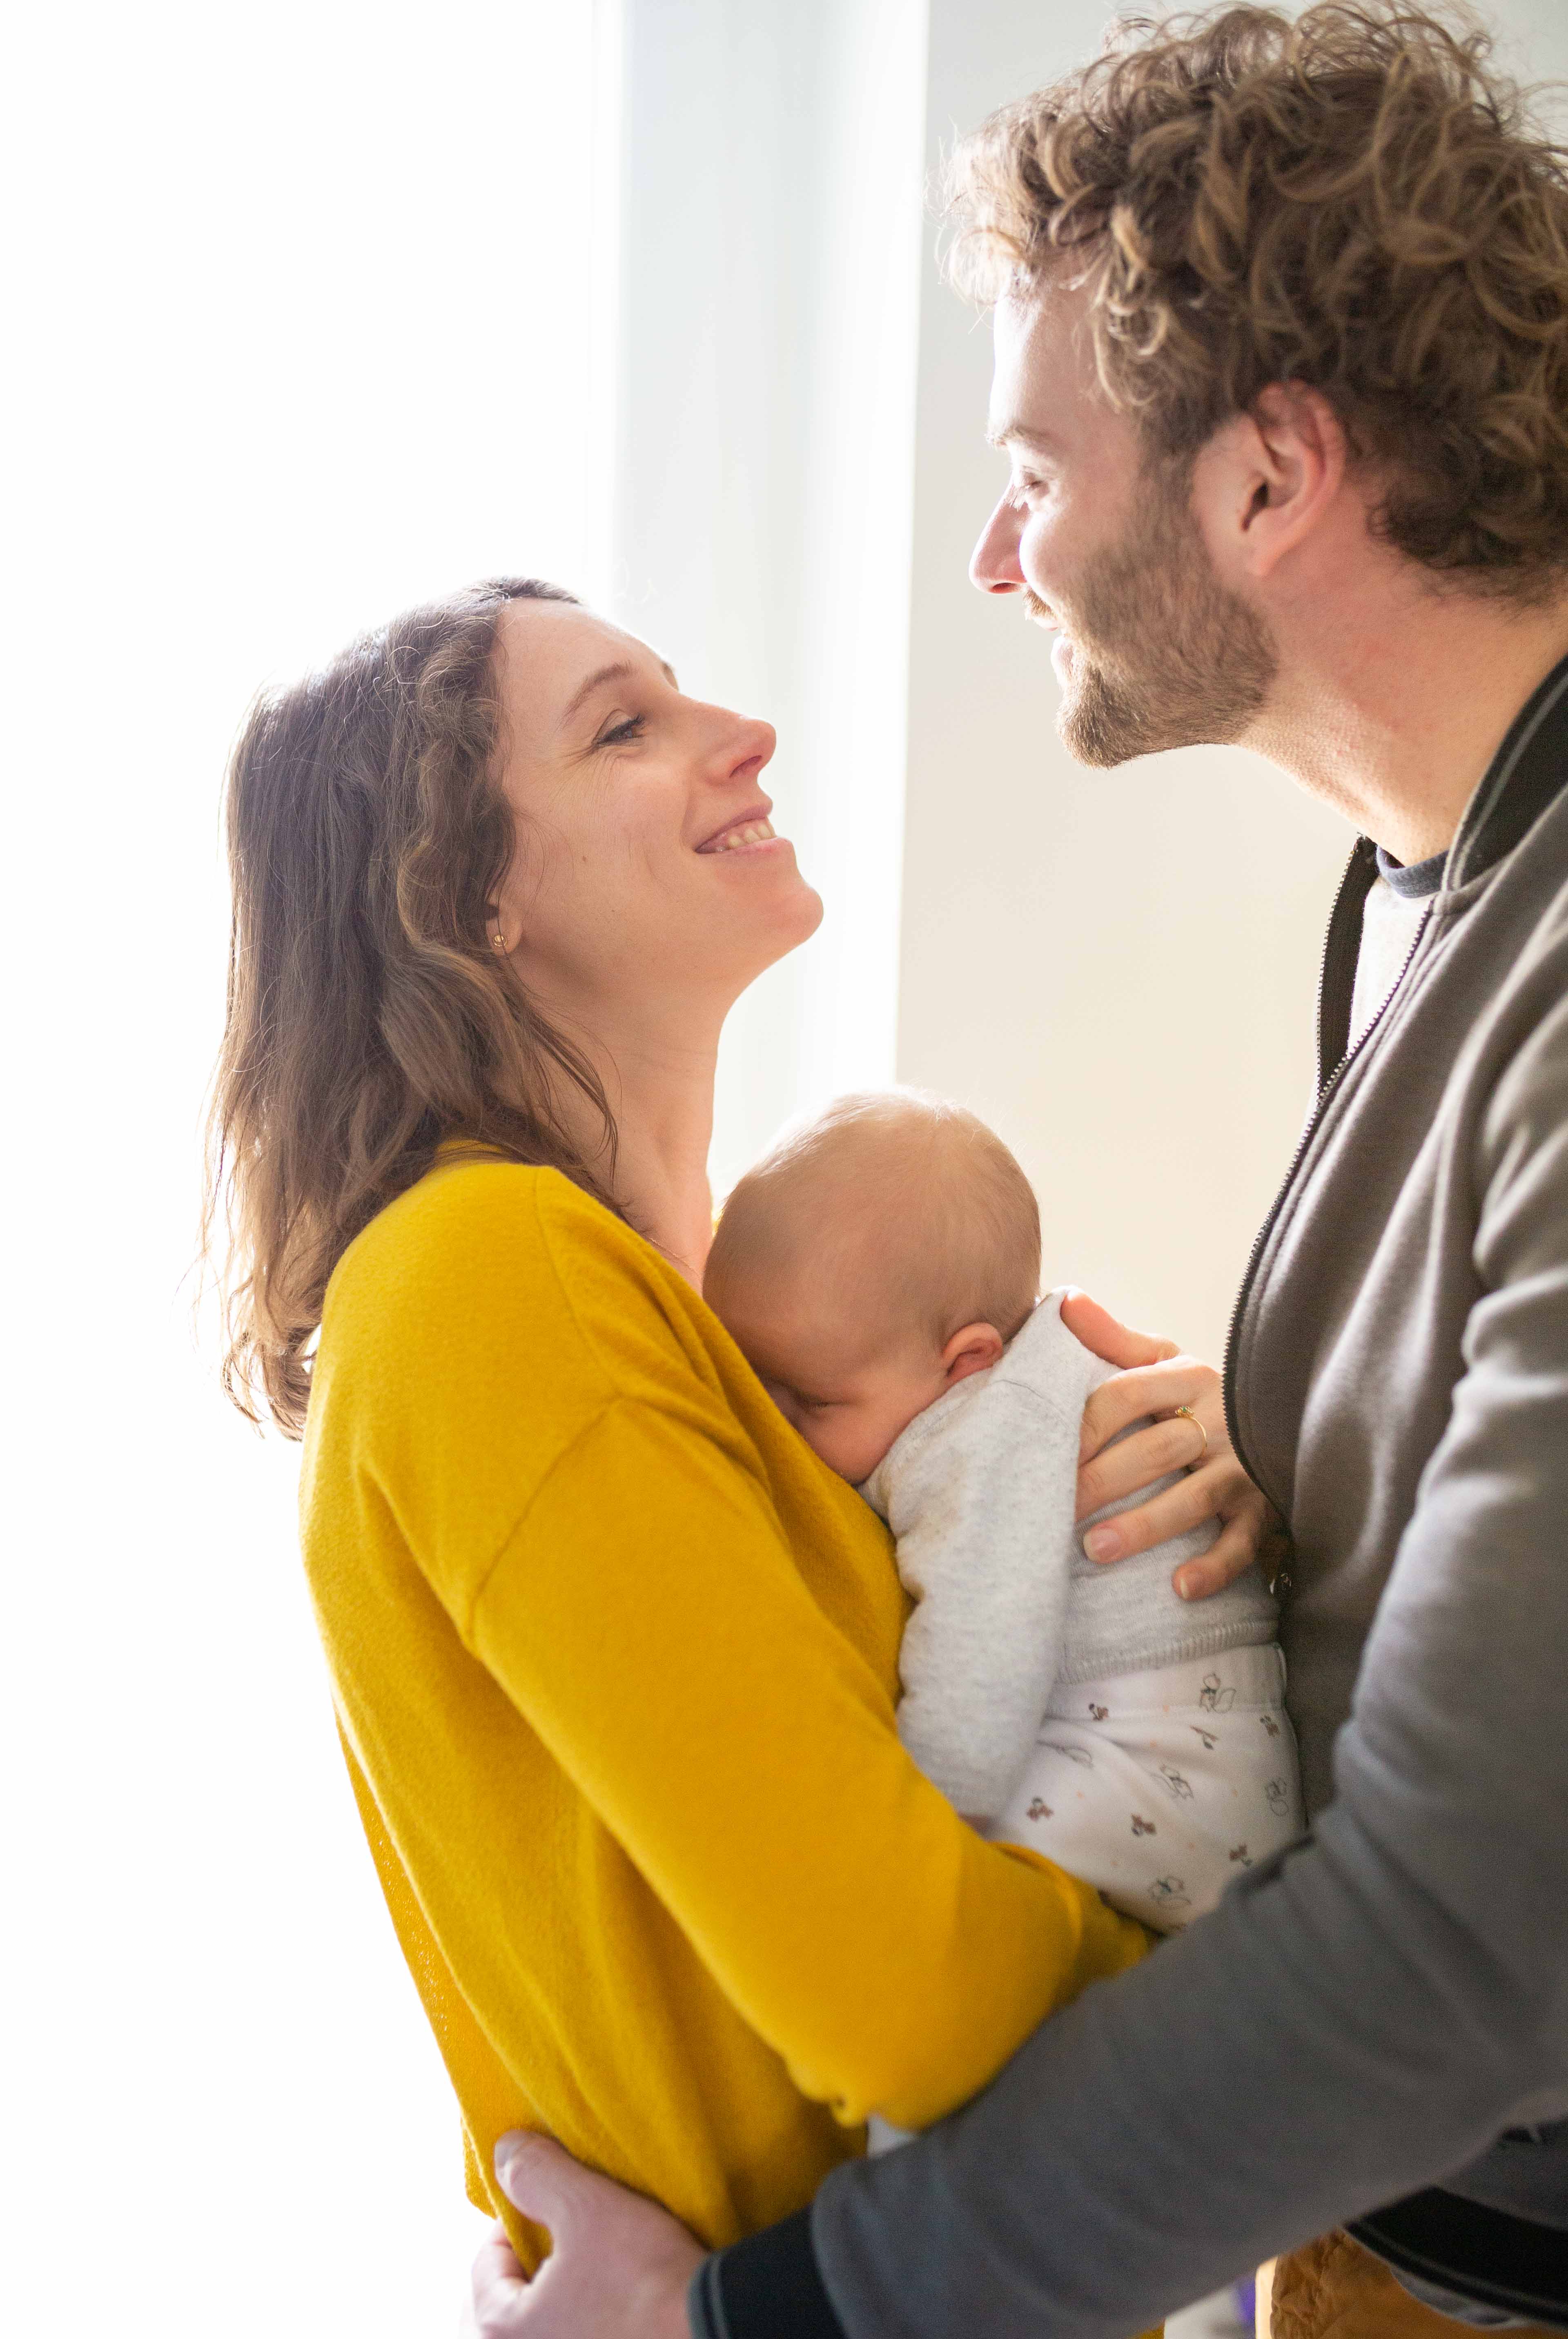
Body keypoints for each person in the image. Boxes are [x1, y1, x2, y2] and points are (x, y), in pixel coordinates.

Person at [470, 0, 1568, 2335]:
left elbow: (1475, 1942)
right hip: (1372, 2240)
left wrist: (773, 2318)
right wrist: (1285, 1470)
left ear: (1270, 481)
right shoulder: (1417, 888)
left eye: (1038, 470)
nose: (995, 554)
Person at [206, 579, 1265, 2278]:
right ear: (469, 897)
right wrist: (1313, 2016)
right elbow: (915, 2001)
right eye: (623, 725)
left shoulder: (713, 1329)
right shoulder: (492, 1278)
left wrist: (1204, 1474)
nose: (744, 734)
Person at [703, 1086, 1300, 1954]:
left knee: (895, 1898)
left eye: (810, 1399)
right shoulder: (969, 1376)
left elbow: (986, 1637)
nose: (774, 1419)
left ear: (966, 1358)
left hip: (1169, 1763)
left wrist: (928, 1809)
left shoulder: (984, 1428)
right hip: (1212, 1756)